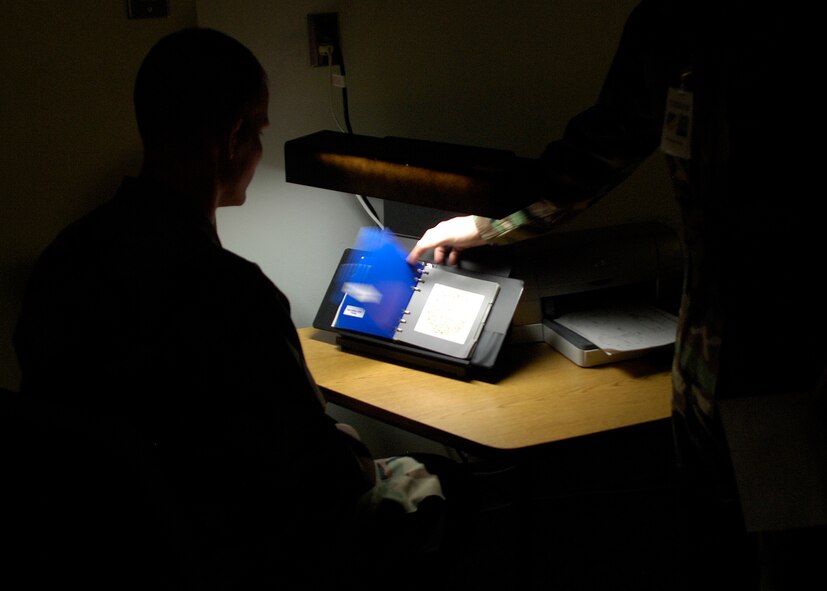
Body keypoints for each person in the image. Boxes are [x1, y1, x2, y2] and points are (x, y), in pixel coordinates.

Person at [12, 27, 459, 590]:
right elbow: (321, 476)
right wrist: (348, 444)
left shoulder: (65, 258)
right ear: (232, 138)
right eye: (261, 131)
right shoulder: (230, 294)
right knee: (438, 481)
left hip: (98, 546)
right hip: (240, 547)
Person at [407, 1, 825, 589]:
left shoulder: (683, 25)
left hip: (766, 344)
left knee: (775, 532)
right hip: (726, 332)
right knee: (744, 530)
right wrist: (488, 224)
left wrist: (492, 223)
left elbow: (597, 151)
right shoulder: (674, 24)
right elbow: (599, 148)